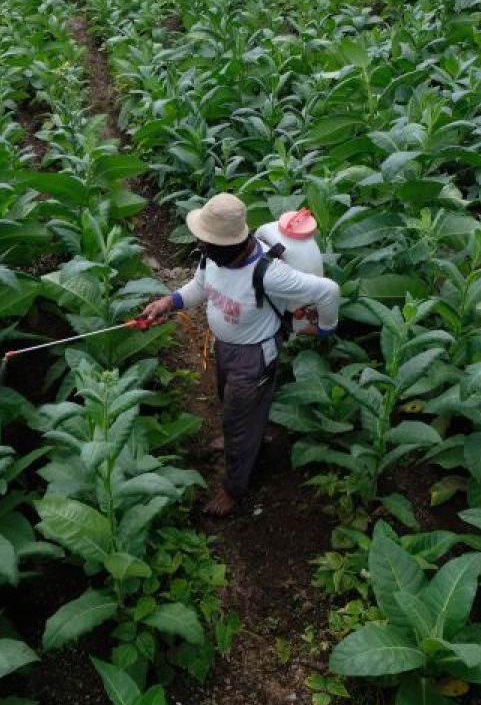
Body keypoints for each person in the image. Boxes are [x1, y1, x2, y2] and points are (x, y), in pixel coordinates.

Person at [140, 193, 340, 516]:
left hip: (255, 359)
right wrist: (169, 303)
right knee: (232, 406)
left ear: (231, 244)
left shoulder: (269, 273)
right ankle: (243, 437)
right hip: (225, 348)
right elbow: (199, 286)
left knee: (240, 416)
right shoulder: (213, 258)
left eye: (207, 243)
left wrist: (326, 328)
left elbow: (328, 291)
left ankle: (234, 488)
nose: (201, 247)